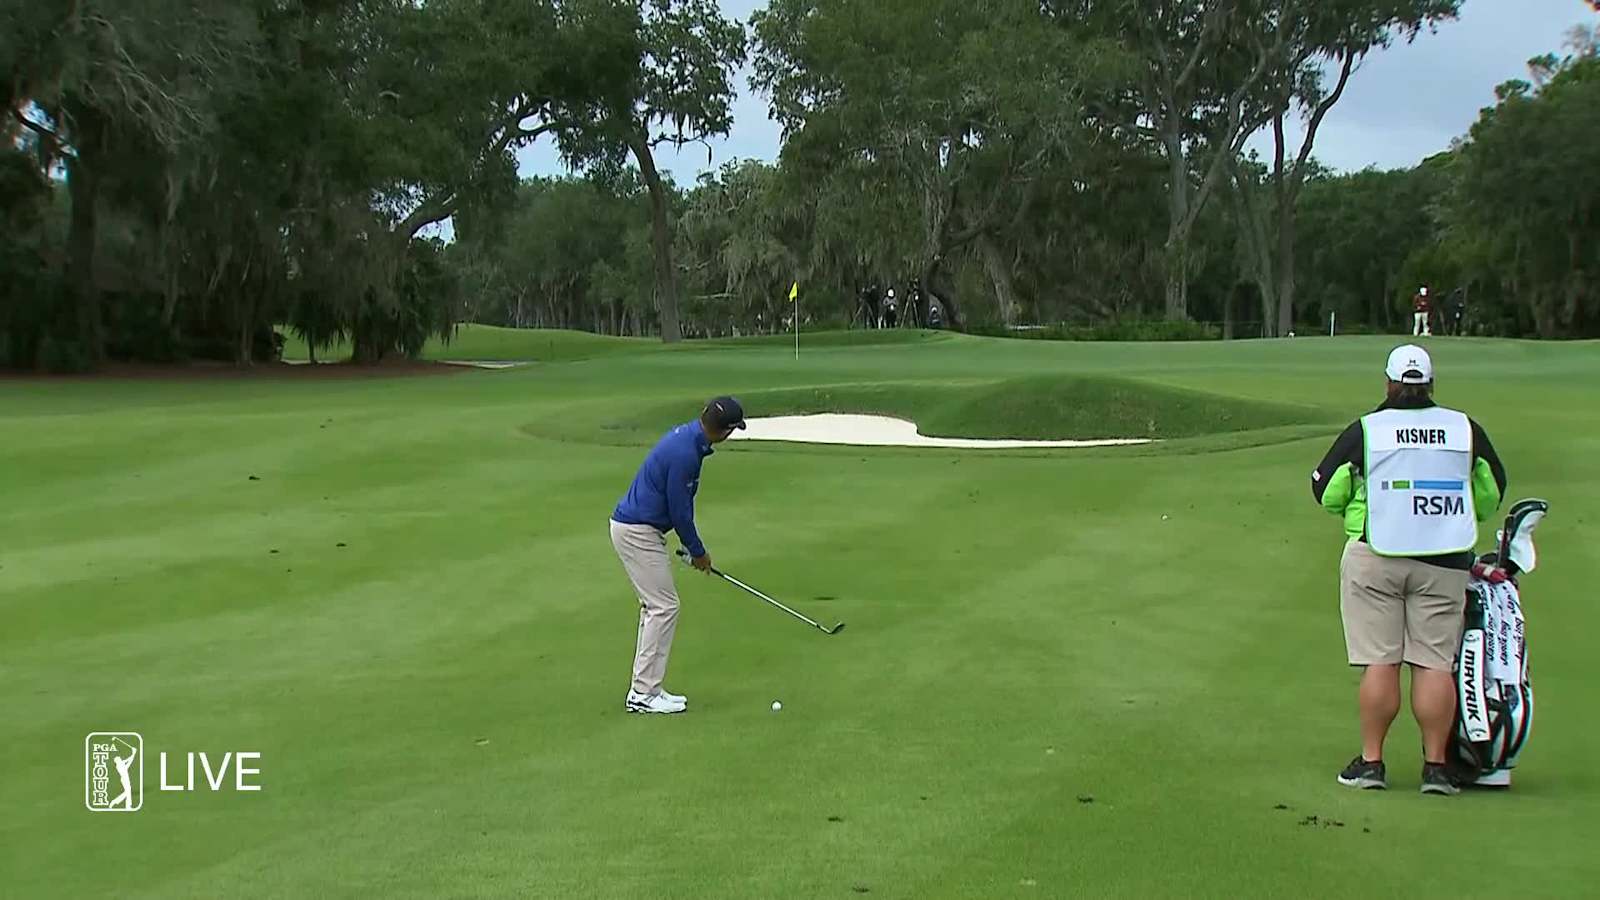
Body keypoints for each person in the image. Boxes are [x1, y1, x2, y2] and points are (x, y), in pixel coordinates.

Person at [1310, 345, 1507, 795]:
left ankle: (1372, 763)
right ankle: (1436, 768)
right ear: (1430, 385)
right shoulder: (1462, 428)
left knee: (1382, 661)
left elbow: (1326, 489)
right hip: (1445, 560)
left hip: (1376, 557)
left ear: (1389, 383)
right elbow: (1491, 490)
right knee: (1433, 664)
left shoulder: (1368, 429)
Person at [610, 397, 747, 714]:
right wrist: (698, 552)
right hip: (637, 532)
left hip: (640, 528)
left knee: (656, 606)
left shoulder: (688, 437)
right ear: (725, 432)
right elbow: (680, 512)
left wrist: (691, 548)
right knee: (663, 606)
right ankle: (643, 694)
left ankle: (648, 688)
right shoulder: (687, 453)